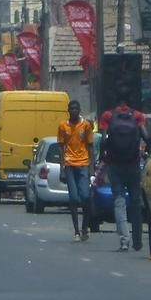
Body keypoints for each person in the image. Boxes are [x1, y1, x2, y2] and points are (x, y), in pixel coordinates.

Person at [100, 93, 146, 252]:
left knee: (119, 202)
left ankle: (124, 241)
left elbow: (104, 139)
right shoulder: (137, 116)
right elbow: (146, 136)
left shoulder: (108, 116)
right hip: (133, 164)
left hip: (115, 165)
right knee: (135, 201)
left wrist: (103, 157)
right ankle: (137, 240)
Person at [58, 100, 95, 242]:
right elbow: (61, 147)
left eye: (76, 108)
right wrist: (62, 168)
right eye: (71, 108)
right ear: (68, 110)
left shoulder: (86, 125)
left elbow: (91, 146)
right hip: (69, 165)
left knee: (85, 197)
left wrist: (92, 169)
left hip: (83, 164)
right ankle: (76, 230)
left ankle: (85, 226)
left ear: (79, 110)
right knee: (73, 198)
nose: (73, 110)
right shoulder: (63, 126)